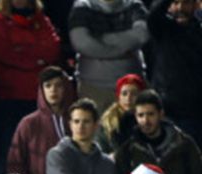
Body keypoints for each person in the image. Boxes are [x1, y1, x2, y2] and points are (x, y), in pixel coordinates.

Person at [0, 0, 61, 174]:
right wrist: (37, 60)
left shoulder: (42, 20)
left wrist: (23, 51)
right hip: (9, 98)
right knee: (7, 152)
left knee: (40, 152)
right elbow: (5, 54)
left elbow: (52, 48)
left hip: (37, 98)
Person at [6, 66, 77, 174]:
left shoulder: (77, 119)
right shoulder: (29, 123)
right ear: (41, 90)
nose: (53, 90)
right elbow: (15, 163)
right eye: (48, 85)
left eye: (58, 85)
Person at [68, 0, 148, 111]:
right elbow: (81, 43)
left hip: (132, 87)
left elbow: (142, 36)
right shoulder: (83, 6)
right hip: (94, 88)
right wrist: (124, 48)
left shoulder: (134, 5)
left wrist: (100, 40)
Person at [145, 0, 202, 145]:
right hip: (165, 108)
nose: (181, 8)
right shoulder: (162, 29)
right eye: (176, 2)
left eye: (186, 3)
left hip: (194, 112)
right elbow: (153, 15)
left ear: (195, 5)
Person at [97, 73, 145, 155]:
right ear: (119, 97)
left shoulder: (148, 117)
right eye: (124, 94)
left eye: (133, 94)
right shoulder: (108, 121)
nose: (128, 98)